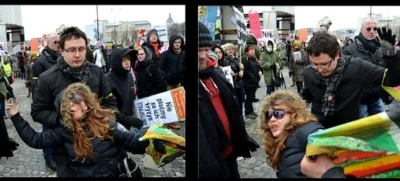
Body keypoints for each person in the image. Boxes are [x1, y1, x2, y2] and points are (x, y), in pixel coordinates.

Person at [30, 26, 138, 177]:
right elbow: (37, 112)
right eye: (72, 50)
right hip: (66, 148)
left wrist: (103, 120)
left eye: (81, 49)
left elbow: (109, 102)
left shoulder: (96, 72)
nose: (77, 54)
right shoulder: (47, 78)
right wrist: (64, 121)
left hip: (99, 142)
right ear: (61, 50)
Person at [7, 83, 150, 177]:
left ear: (86, 104)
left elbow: (134, 143)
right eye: (65, 102)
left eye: (76, 98)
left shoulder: (106, 123)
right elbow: (35, 140)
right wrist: (16, 116)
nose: (71, 104)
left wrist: (154, 138)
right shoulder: (63, 131)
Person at [301, 28, 400, 129]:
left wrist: (392, 57)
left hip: (347, 133)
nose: (320, 69)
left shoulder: (357, 67)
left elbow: (392, 80)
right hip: (318, 133)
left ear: (337, 55)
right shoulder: (309, 72)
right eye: (314, 64)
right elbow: (306, 97)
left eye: (324, 64)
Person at [198, 21, 259, 178]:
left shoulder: (216, 75)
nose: (202, 55)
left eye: (205, 49)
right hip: (211, 160)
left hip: (229, 151)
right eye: (197, 50)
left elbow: (233, 110)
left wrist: (242, 136)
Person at [257, 90, 324, 178]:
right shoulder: (280, 142)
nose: (272, 119)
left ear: (294, 114)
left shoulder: (305, 131)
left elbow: (314, 134)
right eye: (269, 115)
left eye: (278, 113)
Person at [342, 17, 387, 118]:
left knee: (385, 126)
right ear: (361, 29)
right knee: (361, 130)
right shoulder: (349, 50)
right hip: (359, 99)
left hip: (376, 96)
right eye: (368, 29)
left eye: (375, 29)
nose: (372, 32)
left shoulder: (381, 49)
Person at [105, 48, 143, 130]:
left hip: (127, 122)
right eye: (123, 60)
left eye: (129, 59)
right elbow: (107, 107)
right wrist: (125, 119)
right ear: (116, 61)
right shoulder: (107, 80)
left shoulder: (129, 76)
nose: (127, 62)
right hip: (113, 125)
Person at [242, 44, 262, 119]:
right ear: (247, 51)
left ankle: (251, 111)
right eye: (251, 50)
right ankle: (248, 112)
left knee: (251, 97)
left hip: (254, 82)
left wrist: (259, 71)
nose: (252, 51)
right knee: (249, 97)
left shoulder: (254, 58)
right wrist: (251, 75)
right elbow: (244, 69)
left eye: (253, 50)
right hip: (248, 82)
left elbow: (257, 67)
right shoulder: (245, 58)